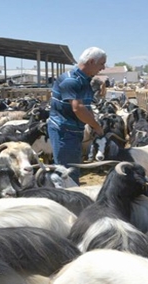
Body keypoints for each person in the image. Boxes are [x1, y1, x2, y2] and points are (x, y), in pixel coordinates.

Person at [48, 47, 106, 184]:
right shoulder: (70, 80)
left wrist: (91, 123)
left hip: (74, 131)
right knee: (66, 172)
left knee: (72, 169)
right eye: (101, 63)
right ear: (91, 61)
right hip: (64, 131)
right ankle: (67, 200)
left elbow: (86, 106)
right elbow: (78, 108)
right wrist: (96, 126)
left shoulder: (85, 80)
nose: (103, 68)